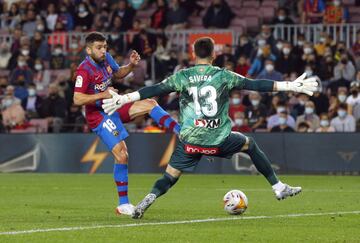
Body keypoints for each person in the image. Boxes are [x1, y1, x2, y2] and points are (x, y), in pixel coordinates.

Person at [102, 37, 318, 218]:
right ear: (214, 54)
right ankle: (278, 187)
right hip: (219, 139)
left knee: (169, 176)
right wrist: (289, 85)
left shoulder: (182, 76)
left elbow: (155, 89)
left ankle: (148, 198)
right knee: (249, 144)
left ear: (193, 54)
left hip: (190, 141)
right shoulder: (223, 75)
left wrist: (125, 98)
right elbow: (255, 85)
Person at [73, 32, 180, 216]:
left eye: (105, 47)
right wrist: (102, 94)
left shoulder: (106, 58)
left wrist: (130, 65)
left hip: (113, 105)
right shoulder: (84, 70)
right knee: (122, 155)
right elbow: (77, 99)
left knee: (150, 103)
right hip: (99, 115)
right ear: (89, 49)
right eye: (99, 48)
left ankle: (182, 132)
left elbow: (118, 73)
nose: (103, 51)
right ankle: (123, 204)